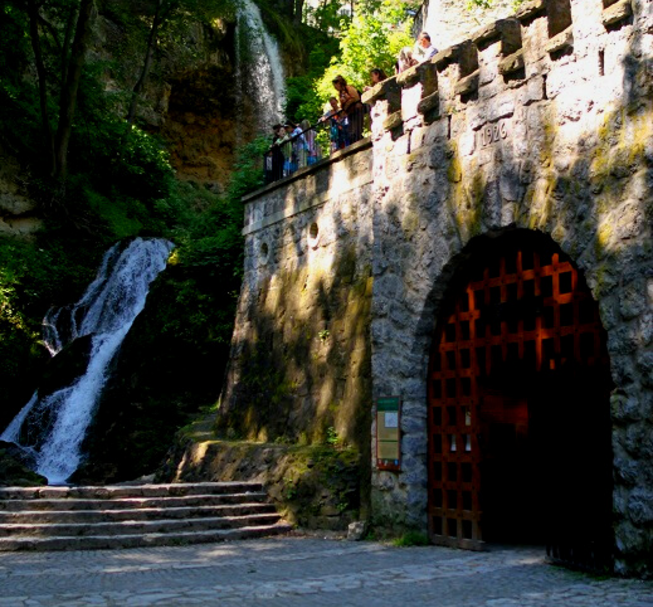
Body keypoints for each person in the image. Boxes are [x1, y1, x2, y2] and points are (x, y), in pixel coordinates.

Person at [332, 75, 363, 145]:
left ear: (339, 83)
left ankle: (359, 143)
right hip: (350, 113)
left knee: (357, 130)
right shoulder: (340, 93)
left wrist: (347, 104)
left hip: (357, 110)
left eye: (335, 85)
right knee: (351, 131)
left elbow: (356, 98)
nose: (335, 88)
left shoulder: (349, 88)